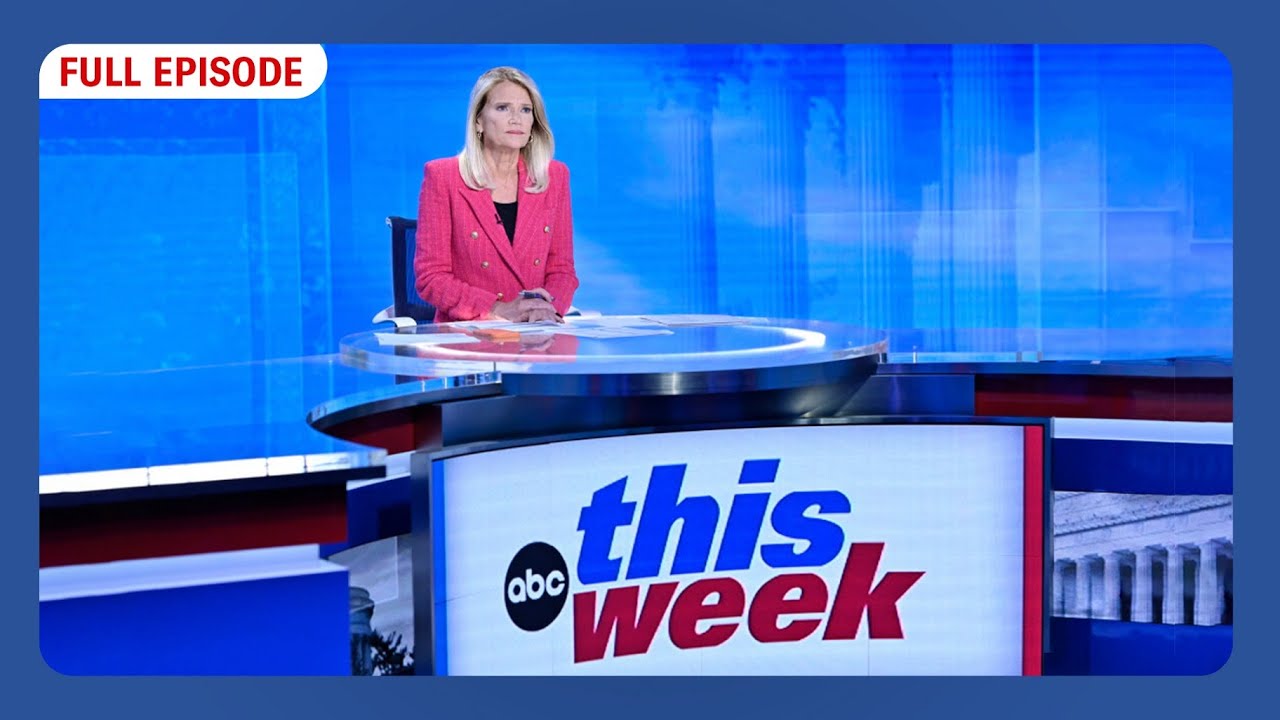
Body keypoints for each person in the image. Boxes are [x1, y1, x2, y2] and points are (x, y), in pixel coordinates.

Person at [414, 66, 579, 324]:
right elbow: (431, 278)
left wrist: (548, 309)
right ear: (478, 120)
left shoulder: (554, 177)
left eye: (525, 110)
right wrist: (497, 309)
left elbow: (562, 269)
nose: (516, 119)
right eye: (503, 108)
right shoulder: (443, 177)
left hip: (537, 332)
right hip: (470, 332)